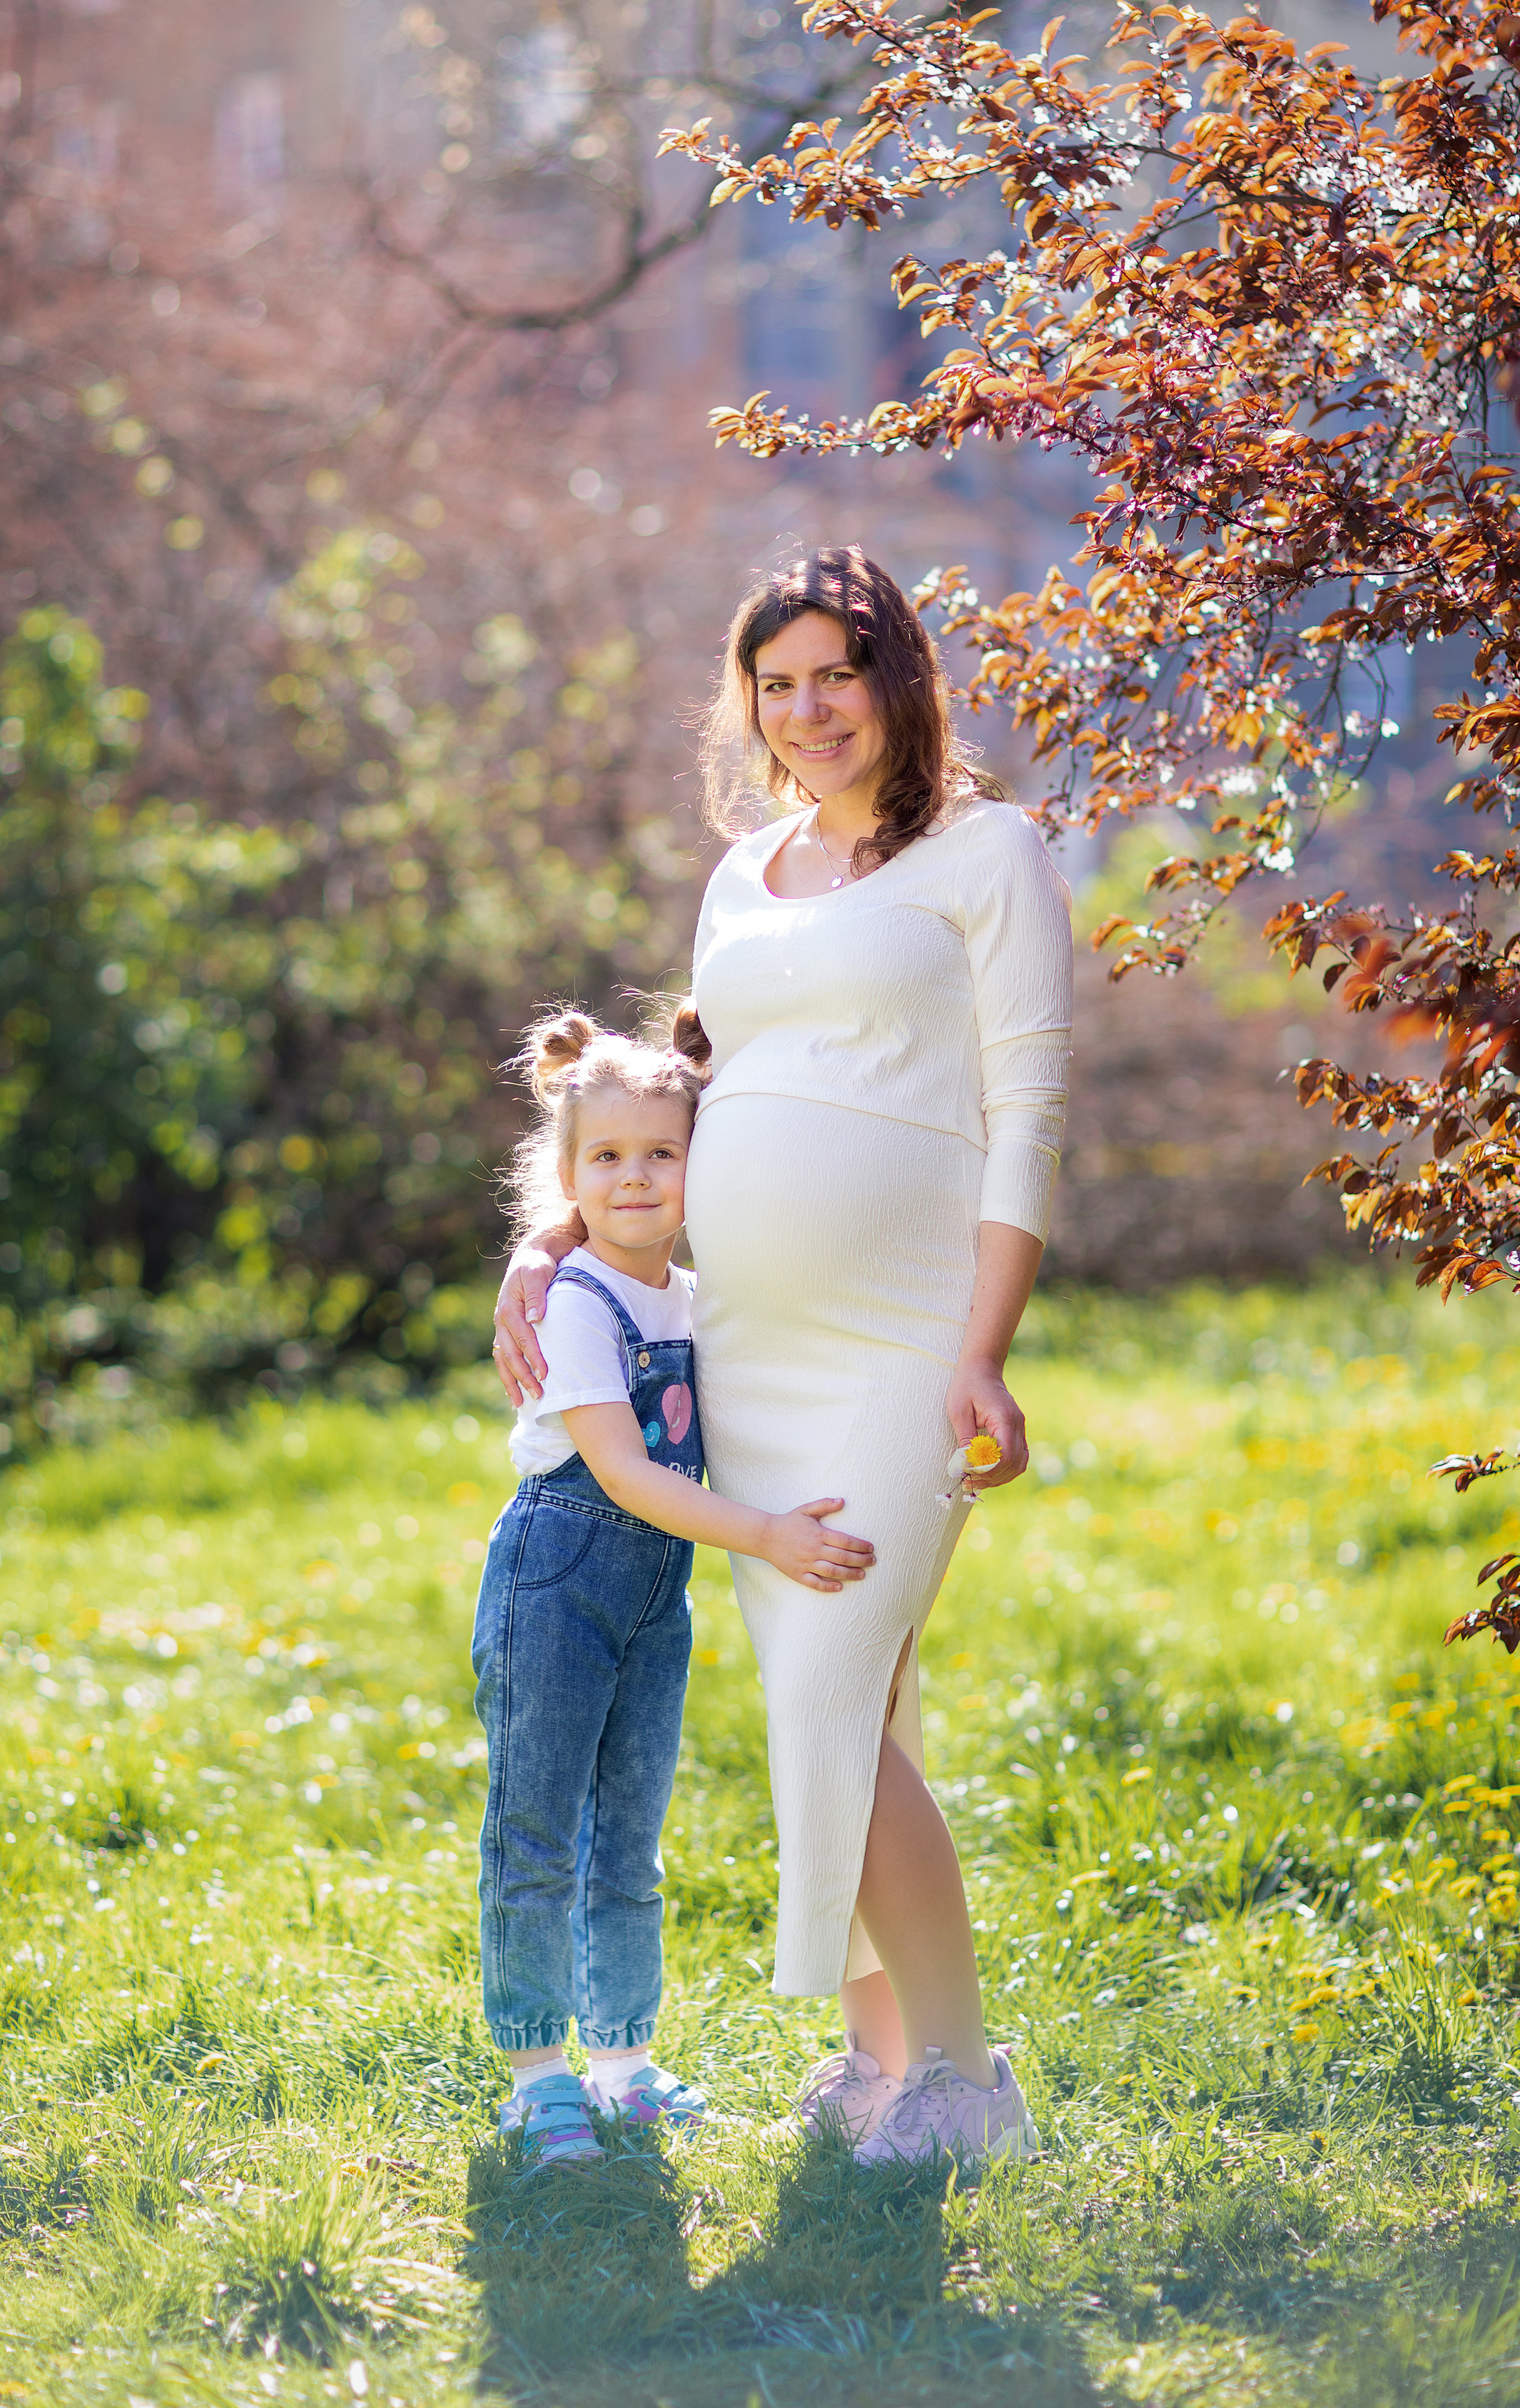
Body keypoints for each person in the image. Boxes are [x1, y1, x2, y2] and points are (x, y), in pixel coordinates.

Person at [495, 546, 1074, 2170]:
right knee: (853, 1698)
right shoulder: (742, 874)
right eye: (776, 683)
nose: (807, 710)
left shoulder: (988, 852)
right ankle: (878, 2063)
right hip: (743, 1344)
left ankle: (966, 2079)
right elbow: (681, 1109)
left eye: (836, 673)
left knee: (828, 1685)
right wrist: (557, 1237)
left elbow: (1024, 1109)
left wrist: (984, 1349)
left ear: (898, 679)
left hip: (904, 1337)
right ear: (745, 704)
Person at [478, 1007, 878, 2173]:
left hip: (656, 1589)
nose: (637, 1176)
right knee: (538, 1836)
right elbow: (623, 1470)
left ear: (704, 1168)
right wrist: (763, 1536)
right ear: (567, 1179)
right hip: (559, 1572)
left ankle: (620, 2065)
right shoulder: (576, 1301)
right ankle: (535, 2078)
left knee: (631, 1844)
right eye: (606, 1157)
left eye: (662, 1153)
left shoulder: (696, 1296)